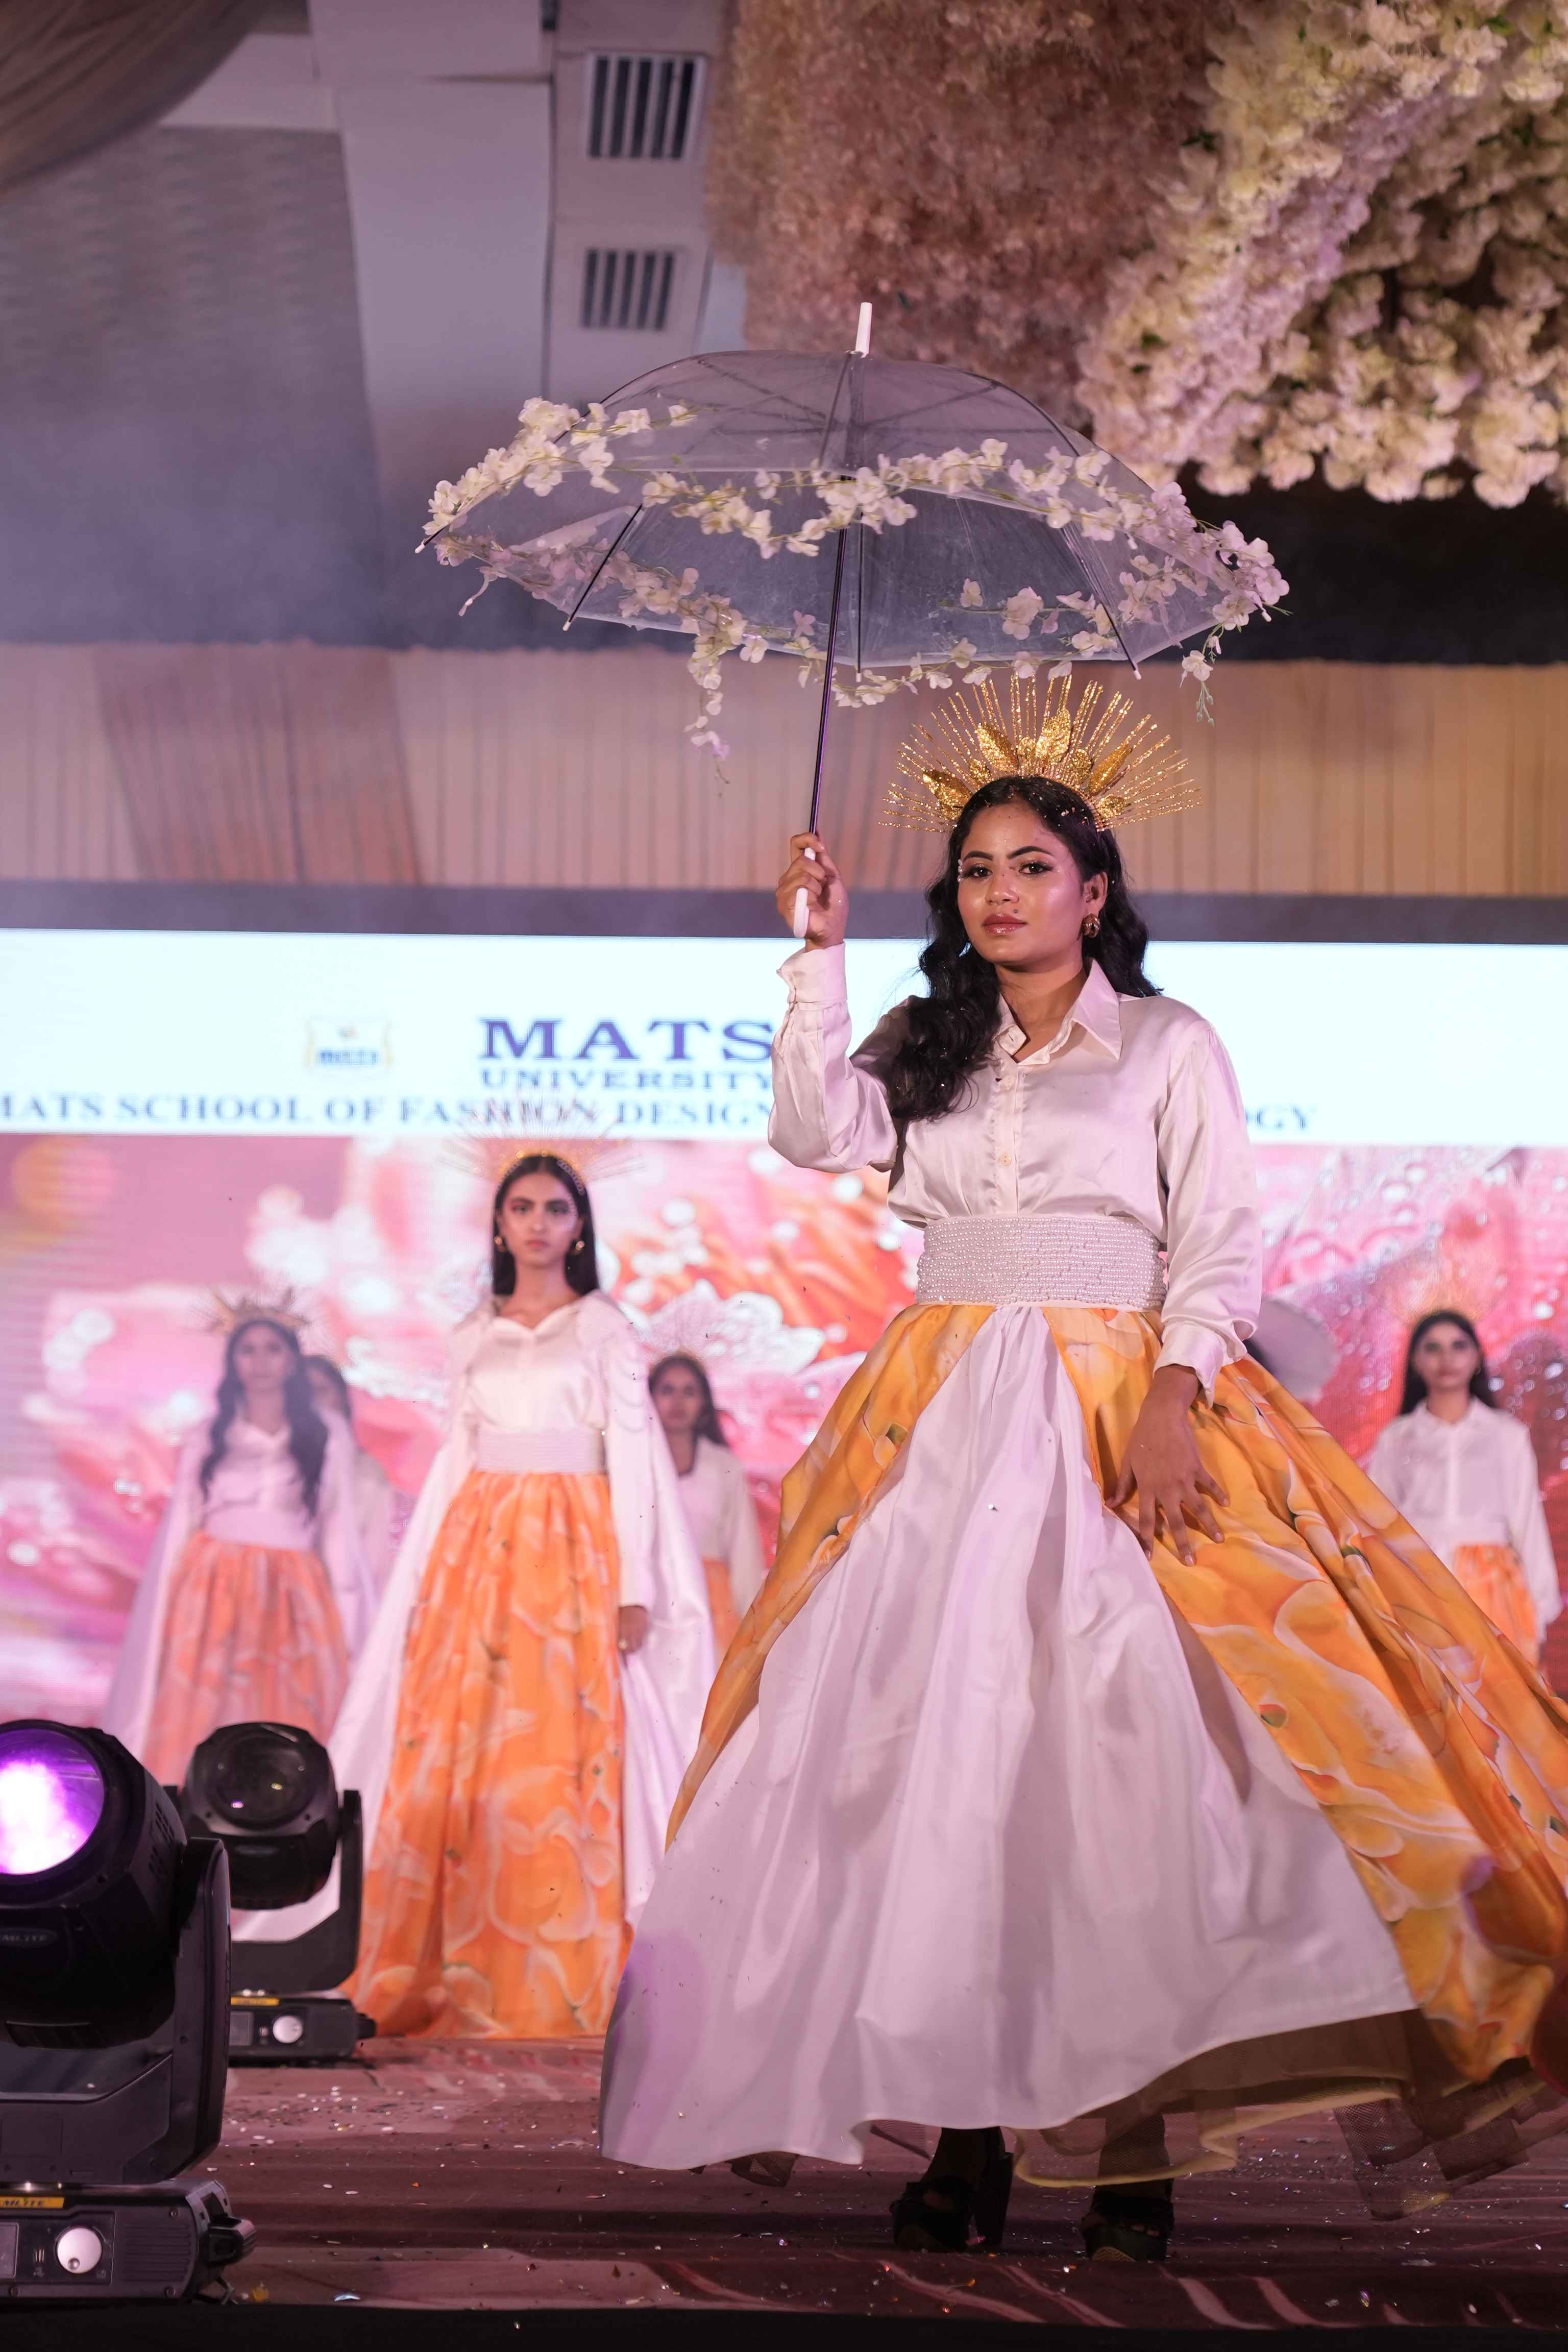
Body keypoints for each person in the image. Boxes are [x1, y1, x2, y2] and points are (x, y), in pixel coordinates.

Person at [600, 676, 1568, 2260]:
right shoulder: (928, 1040)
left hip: (1124, 1408)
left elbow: (1220, 1242)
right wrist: (817, 953)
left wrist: (1177, 1392)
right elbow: (811, 1133)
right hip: (940, 1418)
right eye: (977, 869)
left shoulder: (1169, 1044)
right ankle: (966, 2140)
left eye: (1033, 866)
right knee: (937, 1774)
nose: (1001, 891)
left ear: (1095, 890)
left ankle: (1127, 2152)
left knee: (1124, 1778)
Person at [256, 1153, 714, 2039]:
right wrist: (429, 1577)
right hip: (479, 1545)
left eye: (555, 1208)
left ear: (579, 1225)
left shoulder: (603, 1329)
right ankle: (448, 1967)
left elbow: (634, 1460)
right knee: (466, 1738)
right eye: (521, 1207)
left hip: (573, 1546)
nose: (538, 1223)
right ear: (499, 1224)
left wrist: (636, 1586)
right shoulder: (472, 1333)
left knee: (562, 1744)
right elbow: (456, 1460)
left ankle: (557, 1972)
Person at [105, 1308, 372, 1784]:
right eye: (248, 1350)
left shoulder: (324, 1432)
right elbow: (182, 1519)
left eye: (273, 1349)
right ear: (232, 1361)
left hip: (292, 1588)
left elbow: (337, 1525)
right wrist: (167, 1599)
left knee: (286, 1704)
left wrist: (349, 1617)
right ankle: (189, 1810)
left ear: (292, 1359)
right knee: (202, 1701)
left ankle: (276, 1807)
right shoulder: (209, 1432)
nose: (261, 1362)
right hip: (213, 1582)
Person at [1368, 1311, 1560, 1663]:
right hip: (1415, 1582)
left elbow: (1527, 1522)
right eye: (1432, 1348)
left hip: (1491, 1583)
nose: (1446, 1359)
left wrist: (1542, 1608)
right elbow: (1378, 1523)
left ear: (1476, 1357)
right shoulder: (1396, 1438)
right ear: (1415, 1361)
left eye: (1458, 1346)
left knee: (1493, 1688)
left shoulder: (1506, 1435)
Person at [649, 1352, 766, 1651]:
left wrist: (751, 1627)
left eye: (689, 1392)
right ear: (649, 1398)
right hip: (649, 1599)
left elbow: (743, 1550)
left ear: (703, 1402)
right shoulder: (634, 1464)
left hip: (711, 1605)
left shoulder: (725, 1466)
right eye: (667, 1391)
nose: (678, 1402)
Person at [304, 1355, 401, 1595]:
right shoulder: (270, 1467)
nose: (312, 1402)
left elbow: (376, 1556)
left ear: (342, 1400)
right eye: (302, 1392)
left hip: (342, 1595)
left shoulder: (368, 1474)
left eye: (321, 1391)